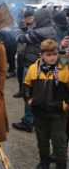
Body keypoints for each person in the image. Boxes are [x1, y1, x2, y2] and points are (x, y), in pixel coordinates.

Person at [24, 39, 69, 169]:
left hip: (58, 114)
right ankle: (44, 162)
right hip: (39, 112)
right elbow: (26, 87)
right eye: (48, 55)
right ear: (41, 55)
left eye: (55, 54)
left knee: (59, 142)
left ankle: (61, 165)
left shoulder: (65, 69)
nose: (52, 58)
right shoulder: (33, 68)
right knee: (42, 140)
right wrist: (30, 100)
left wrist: (65, 105)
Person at [12, 8, 56, 133]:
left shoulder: (40, 32)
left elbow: (20, 39)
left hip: (33, 67)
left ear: (42, 18)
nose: (35, 20)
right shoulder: (50, 29)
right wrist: (25, 29)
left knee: (29, 95)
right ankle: (36, 120)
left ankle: (27, 122)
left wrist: (16, 29)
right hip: (41, 67)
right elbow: (31, 36)